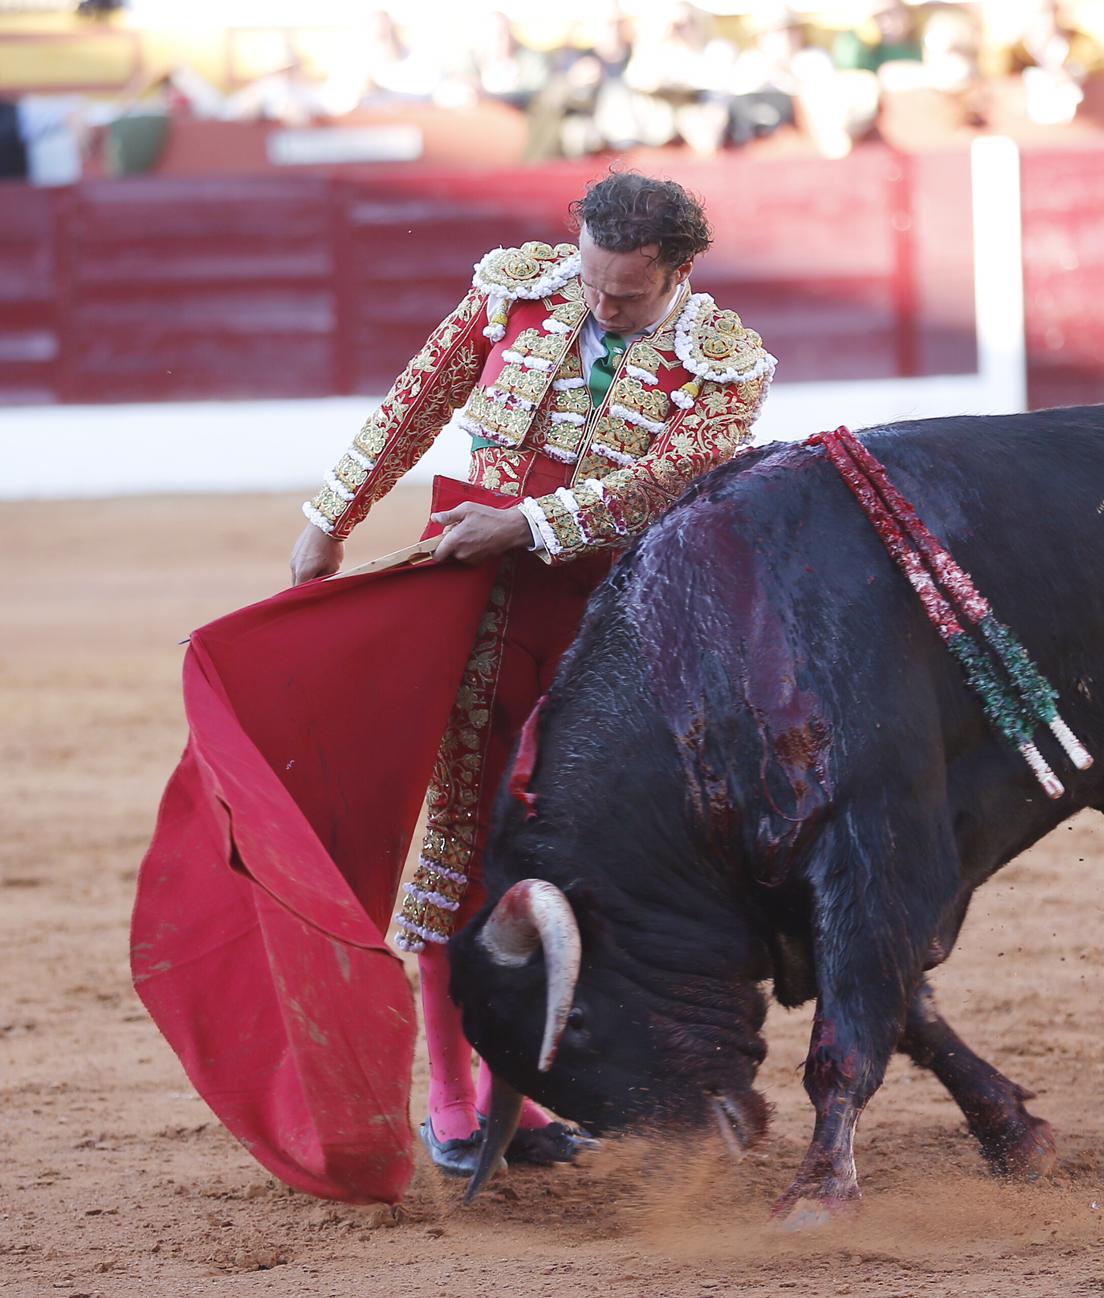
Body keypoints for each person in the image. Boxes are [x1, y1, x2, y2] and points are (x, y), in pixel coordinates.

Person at [287, 171, 775, 1175]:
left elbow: (664, 481)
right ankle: (453, 1084)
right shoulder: (519, 292)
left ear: (680, 273)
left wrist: (526, 521)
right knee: (463, 830)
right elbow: (414, 401)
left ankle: (536, 1088)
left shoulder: (727, 364)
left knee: (592, 849)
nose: (600, 304)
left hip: (622, 638)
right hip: (479, 612)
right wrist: (329, 518)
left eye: (628, 293)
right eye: (592, 278)